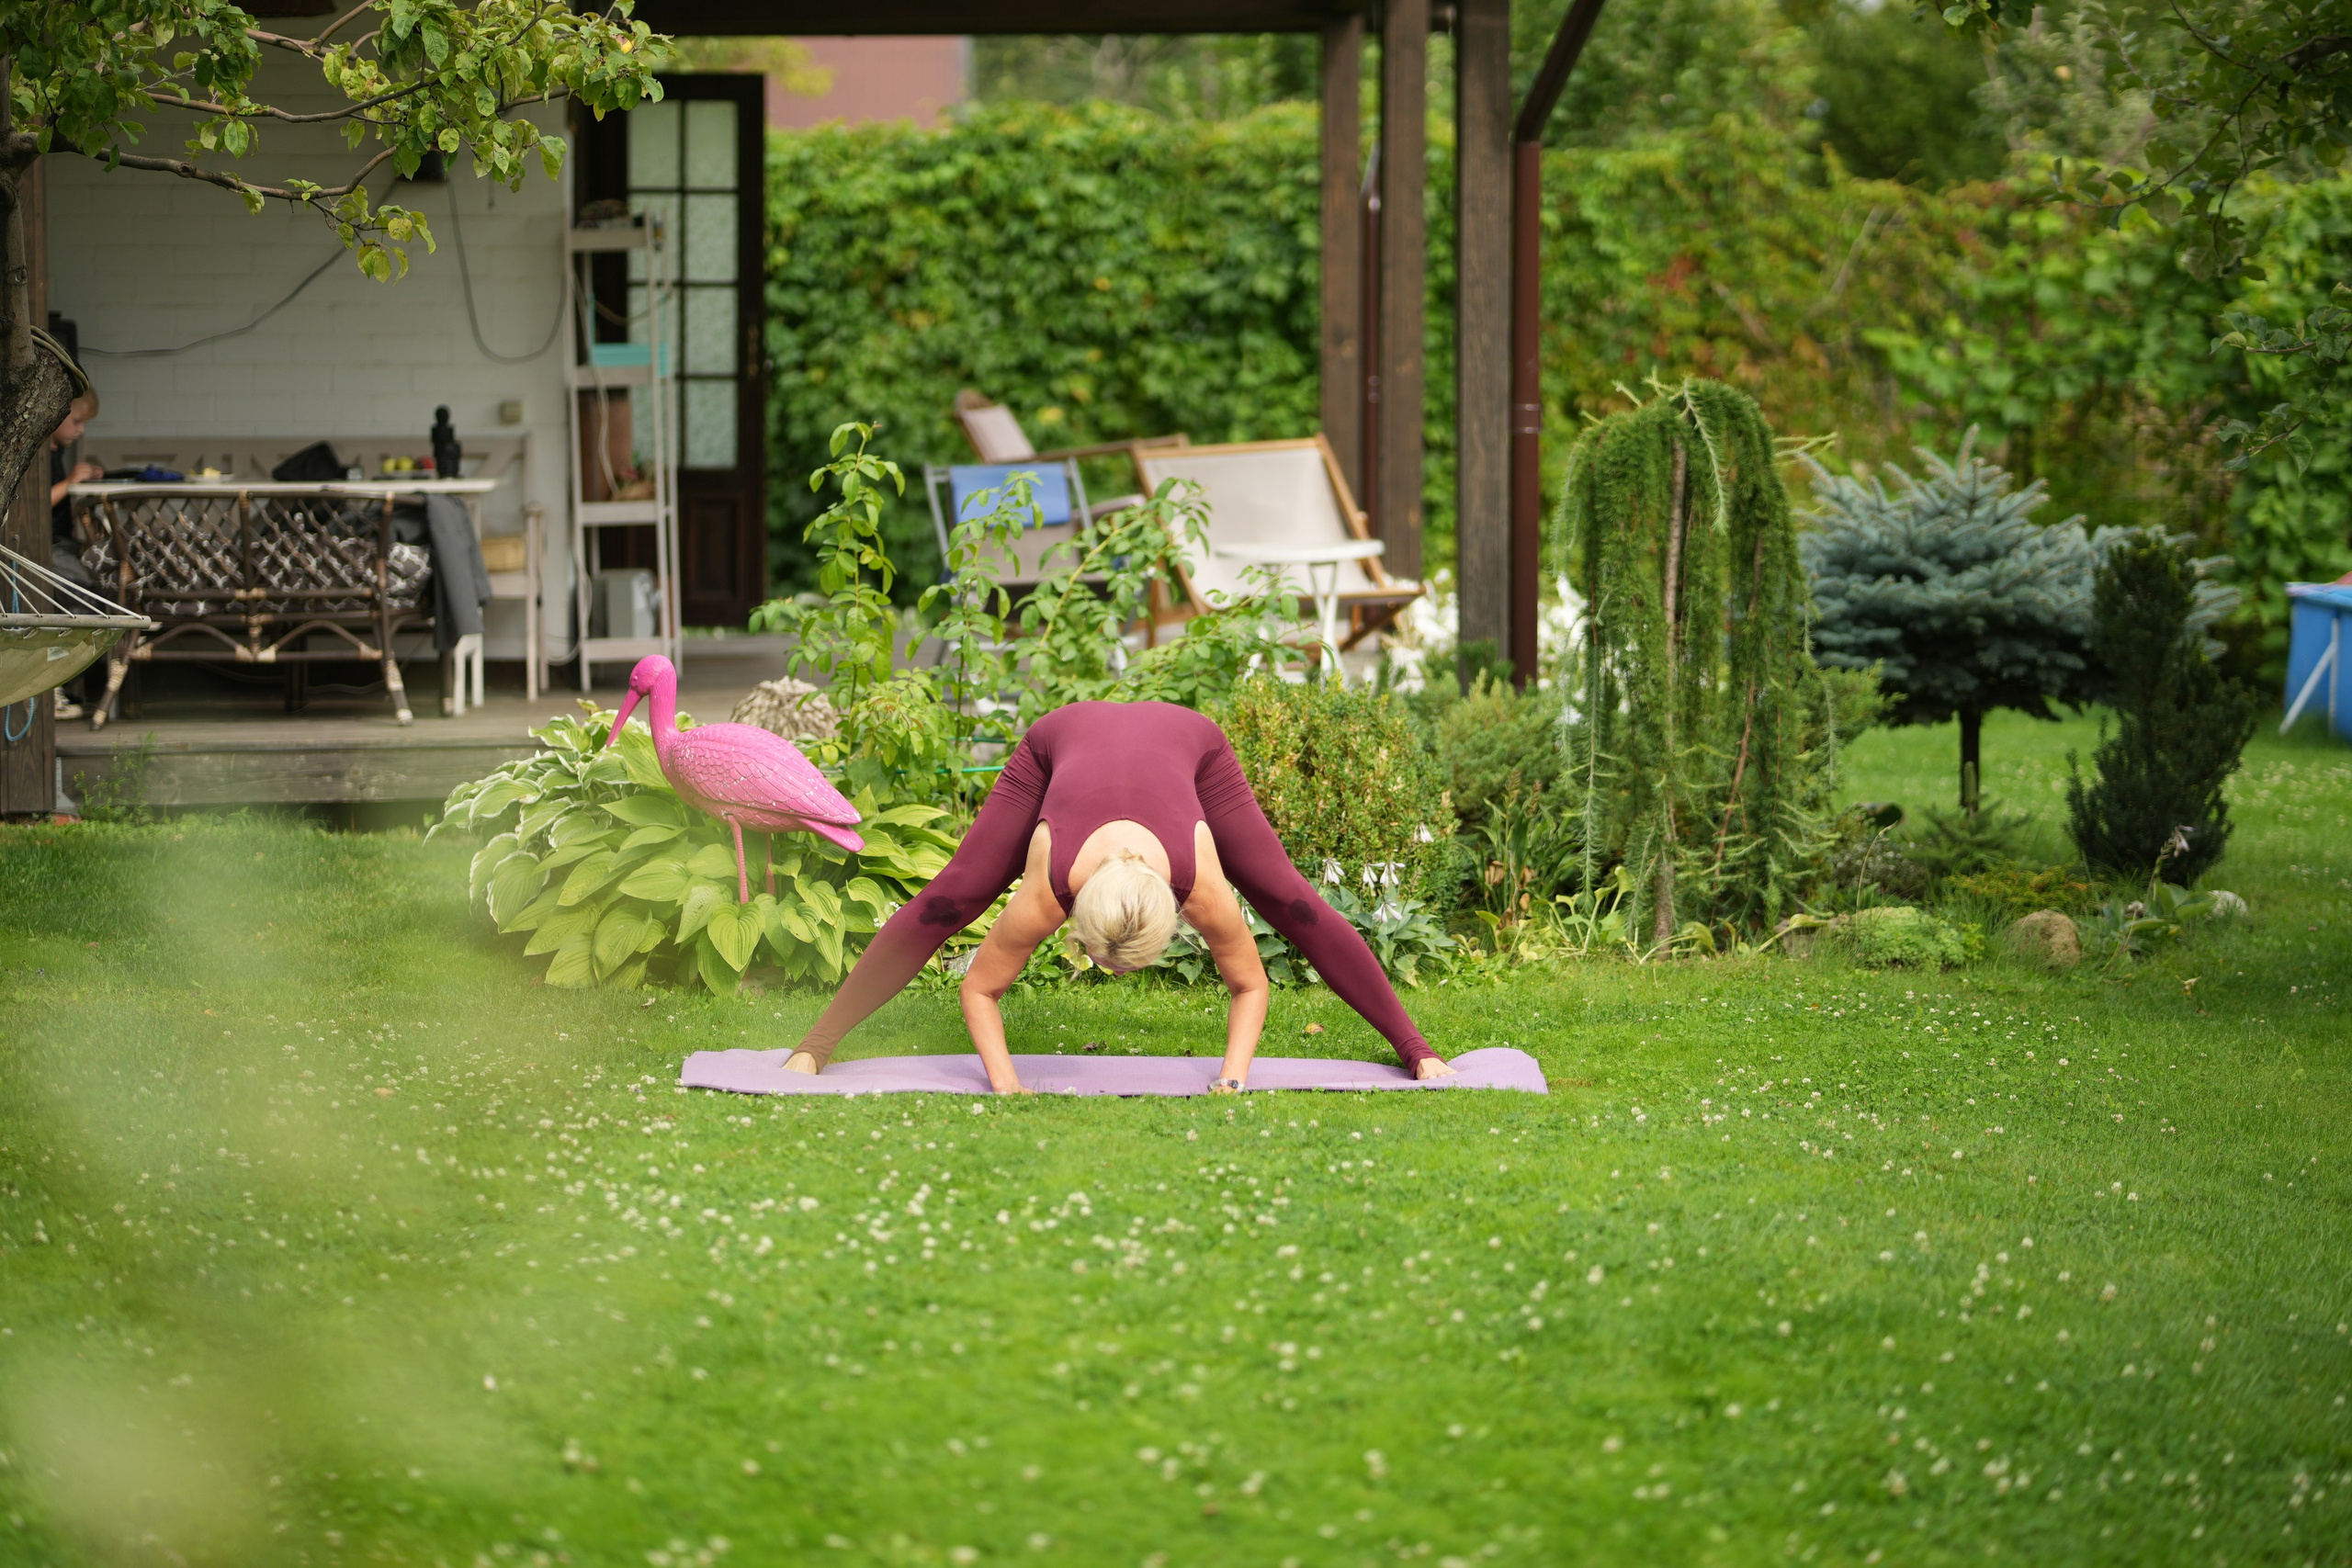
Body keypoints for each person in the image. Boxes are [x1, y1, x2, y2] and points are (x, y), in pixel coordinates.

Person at [786, 700, 1454, 1094]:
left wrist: (1232, 1080)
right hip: (1061, 741)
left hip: (1190, 745)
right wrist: (1007, 1087)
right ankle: (816, 1043)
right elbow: (980, 987)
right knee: (951, 897)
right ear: (1074, 912)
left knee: (1293, 901)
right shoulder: (1051, 883)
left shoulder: (1201, 883)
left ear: (1175, 909)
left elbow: (1250, 984)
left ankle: (1417, 1049)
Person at [47, 386, 105, 720]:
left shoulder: (57, 451)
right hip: (46, 547)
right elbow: (36, 503)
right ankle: (54, 685)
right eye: (77, 421)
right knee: (77, 591)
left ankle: (70, 684)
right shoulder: (38, 454)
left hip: (63, 543)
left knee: (95, 587)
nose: (80, 430)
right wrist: (70, 481)